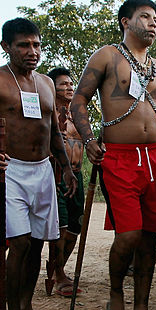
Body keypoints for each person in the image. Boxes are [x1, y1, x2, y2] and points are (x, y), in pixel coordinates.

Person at [70, 0, 156, 310]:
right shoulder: (107, 56)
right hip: (119, 158)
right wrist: (87, 138)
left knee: (151, 235)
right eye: (145, 17)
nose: (153, 23)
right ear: (126, 21)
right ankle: (115, 295)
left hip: (155, 157)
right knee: (129, 235)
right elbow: (78, 99)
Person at [0, 18, 75, 310]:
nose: (33, 51)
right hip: (6, 169)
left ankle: (27, 308)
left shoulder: (45, 83)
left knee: (39, 241)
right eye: (24, 45)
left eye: (37, 45)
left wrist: (66, 167)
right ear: (6, 47)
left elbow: (54, 130)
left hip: (42, 170)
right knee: (19, 242)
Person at [45, 66, 86, 297]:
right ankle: (59, 275)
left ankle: (57, 267)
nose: (69, 87)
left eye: (71, 83)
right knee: (59, 227)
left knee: (75, 225)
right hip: (56, 175)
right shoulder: (47, 112)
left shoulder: (77, 115)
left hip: (76, 175)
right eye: (63, 84)